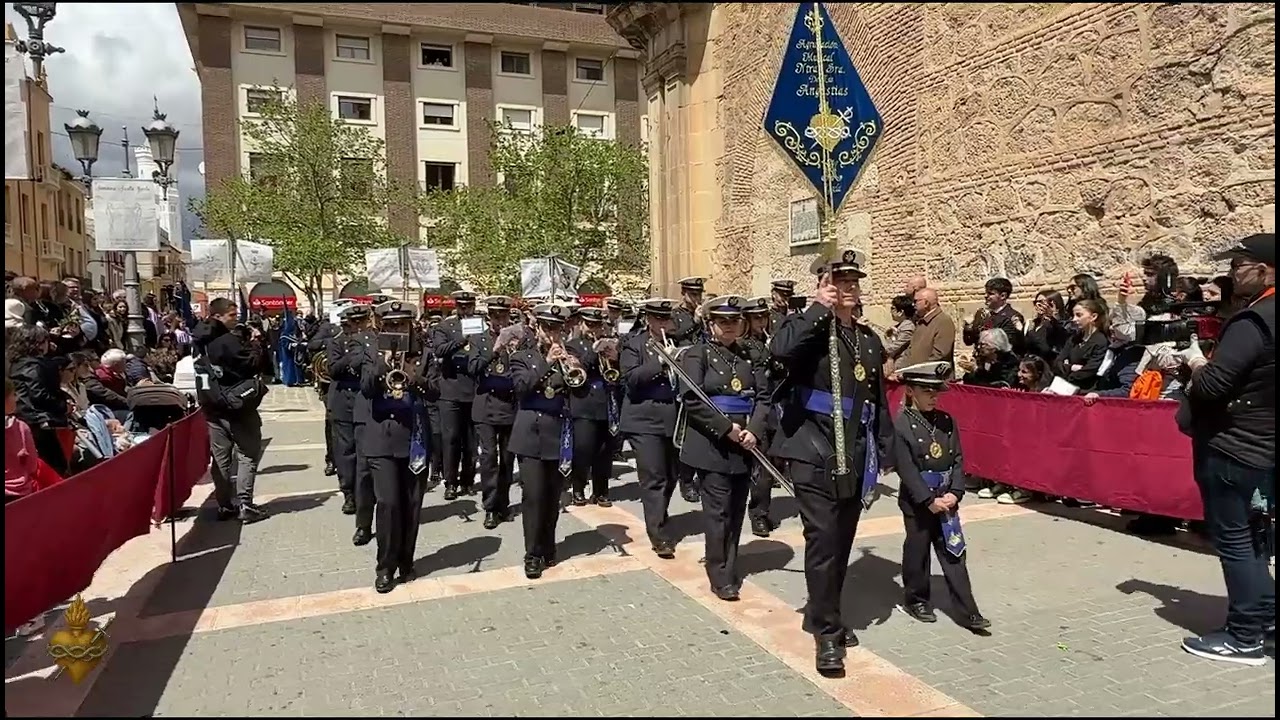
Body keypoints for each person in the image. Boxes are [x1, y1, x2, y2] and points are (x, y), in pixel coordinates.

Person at [770, 248, 894, 676]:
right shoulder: (804, 328)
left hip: (854, 453)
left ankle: (825, 610)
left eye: (853, 282)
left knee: (841, 540)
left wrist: (886, 446)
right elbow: (782, 353)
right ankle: (827, 632)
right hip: (812, 448)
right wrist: (815, 310)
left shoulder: (868, 340)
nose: (847, 289)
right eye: (837, 282)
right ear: (822, 286)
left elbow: (876, 400)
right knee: (822, 541)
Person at [1176, 233, 1275, 666]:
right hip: (1264, 442)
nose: (1233, 273)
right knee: (1252, 539)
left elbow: (1215, 385)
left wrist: (1196, 362)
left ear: (1266, 269)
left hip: (1235, 445)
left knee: (1235, 540)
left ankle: (1243, 637)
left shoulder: (1254, 320)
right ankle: (1266, 616)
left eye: (1240, 264)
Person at [677, 295, 771, 601]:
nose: (730, 327)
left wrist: (755, 431)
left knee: (735, 511)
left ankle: (729, 562)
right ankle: (720, 574)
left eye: (735, 321)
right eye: (723, 321)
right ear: (710, 324)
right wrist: (726, 428)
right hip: (712, 444)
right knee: (717, 512)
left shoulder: (749, 355)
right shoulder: (697, 354)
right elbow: (692, 400)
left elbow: (762, 398)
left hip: (744, 444)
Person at [893, 361, 990, 631]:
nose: (934, 397)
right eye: (927, 391)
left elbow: (958, 459)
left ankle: (968, 610)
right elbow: (906, 468)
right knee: (918, 549)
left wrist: (956, 492)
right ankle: (917, 599)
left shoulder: (947, 421)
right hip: (919, 500)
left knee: (954, 551)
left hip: (946, 497)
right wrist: (927, 500)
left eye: (937, 391)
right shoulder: (901, 425)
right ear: (910, 391)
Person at [357, 300, 431, 593]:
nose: (398, 330)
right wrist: (383, 362)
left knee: (412, 506)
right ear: (383, 327)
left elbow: (436, 390)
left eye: (402, 324)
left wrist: (416, 378)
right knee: (388, 504)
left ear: (411, 326)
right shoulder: (372, 352)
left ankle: (406, 560)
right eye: (392, 325)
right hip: (382, 441)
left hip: (414, 440)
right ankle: (385, 566)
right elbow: (366, 388)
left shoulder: (423, 353)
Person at [509, 303, 580, 579]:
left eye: (557, 328)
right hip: (531, 435)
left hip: (558, 433)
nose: (552, 334)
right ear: (536, 328)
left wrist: (576, 372)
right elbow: (521, 388)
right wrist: (547, 362)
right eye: (547, 327)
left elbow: (580, 393)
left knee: (553, 497)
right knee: (534, 497)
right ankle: (532, 553)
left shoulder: (570, 356)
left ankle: (548, 545)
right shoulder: (523, 357)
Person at [193, 297, 268, 524]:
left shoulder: (198, 340)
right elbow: (253, 364)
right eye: (232, 316)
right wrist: (256, 343)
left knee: (221, 459)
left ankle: (225, 505)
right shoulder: (226, 341)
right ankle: (245, 504)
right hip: (237, 406)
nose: (236, 320)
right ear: (218, 316)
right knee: (247, 455)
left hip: (212, 405)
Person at [619, 298, 683, 558]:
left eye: (666, 319)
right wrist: (661, 362)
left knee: (671, 475)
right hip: (643, 419)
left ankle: (660, 514)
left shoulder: (676, 344)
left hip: (672, 418)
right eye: (658, 319)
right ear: (648, 320)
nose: (663, 324)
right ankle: (658, 534)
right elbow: (630, 379)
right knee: (653, 476)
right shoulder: (634, 344)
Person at [468, 296, 522, 529]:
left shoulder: (519, 340)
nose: (500, 320)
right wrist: (495, 349)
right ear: (489, 317)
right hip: (486, 407)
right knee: (489, 458)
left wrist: (513, 349)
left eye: (504, 316)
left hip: (509, 406)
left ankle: (503, 503)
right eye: (495, 316)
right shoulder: (479, 340)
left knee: (507, 460)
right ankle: (490, 507)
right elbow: (473, 369)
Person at [566, 306, 620, 507]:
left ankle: (601, 491)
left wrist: (614, 357)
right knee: (583, 448)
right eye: (590, 325)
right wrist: (595, 350)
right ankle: (578, 488)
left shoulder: (610, 343)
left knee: (604, 451)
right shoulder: (572, 345)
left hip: (605, 401)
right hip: (584, 401)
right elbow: (581, 367)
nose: (594, 329)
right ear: (581, 324)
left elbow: (618, 371)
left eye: (597, 325)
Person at [431, 290, 481, 499]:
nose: (465, 310)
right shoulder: (445, 326)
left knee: (470, 441)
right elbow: (439, 350)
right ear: (456, 306)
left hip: (474, 388)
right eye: (462, 306)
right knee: (450, 438)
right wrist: (461, 341)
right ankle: (450, 481)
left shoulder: (481, 325)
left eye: (468, 306)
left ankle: (467, 480)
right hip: (451, 387)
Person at [327, 305, 372, 527]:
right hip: (344, 401)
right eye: (353, 323)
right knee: (346, 451)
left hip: (366, 401)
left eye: (361, 321)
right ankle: (349, 494)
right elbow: (333, 370)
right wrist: (352, 355)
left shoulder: (372, 340)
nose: (357, 327)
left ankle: (365, 492)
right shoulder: (337, 342)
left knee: (365, 451)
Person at [741, 297, 782, 537]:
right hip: (752, 410)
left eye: (764, 317)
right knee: (760, 468)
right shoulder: (743, 345)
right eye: (756, 317)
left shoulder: (768, 342)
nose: (761, 321)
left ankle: (761, 509)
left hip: (774, 409)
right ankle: (758, 514)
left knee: (769, 466)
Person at [669, 277, 707, 503]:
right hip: (683, 374)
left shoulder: (704, 314)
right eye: (693, 295)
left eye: (699, 294)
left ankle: (700, 478)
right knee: (684, 430)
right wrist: (695, 320)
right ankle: (685, 480)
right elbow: (675, 336)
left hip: (702, 373)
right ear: (684, 293)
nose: (696, 299)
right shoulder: (675, 315)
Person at [1054, 298, 1110, 391]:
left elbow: (1090, 370)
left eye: (1079, 315)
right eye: (1074, 315)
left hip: (1086, 390)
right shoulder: (1074, 339)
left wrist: (1067, 370)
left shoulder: (1100, 341)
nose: (1074, 319)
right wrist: (1071, 367)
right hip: (1066, 387)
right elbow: (1057, 363)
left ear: (1093, 316)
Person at [901, 287, 956, 376]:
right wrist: (902, 370)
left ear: (926, 303)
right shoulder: (921, 321)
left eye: (916, 301)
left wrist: (915, 371)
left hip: (933, 382)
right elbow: (910, 350)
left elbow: (939, 355)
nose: (913, 305)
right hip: (915, 379)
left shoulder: (943, 321)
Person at [962, 277, 1025, 354]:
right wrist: (968, 327)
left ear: (1003, 296)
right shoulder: (982, 314)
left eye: (990, 293)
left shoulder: (1012, 317)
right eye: (986, 293)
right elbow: (969, 341)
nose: (986, 296)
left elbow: (1004, 345)